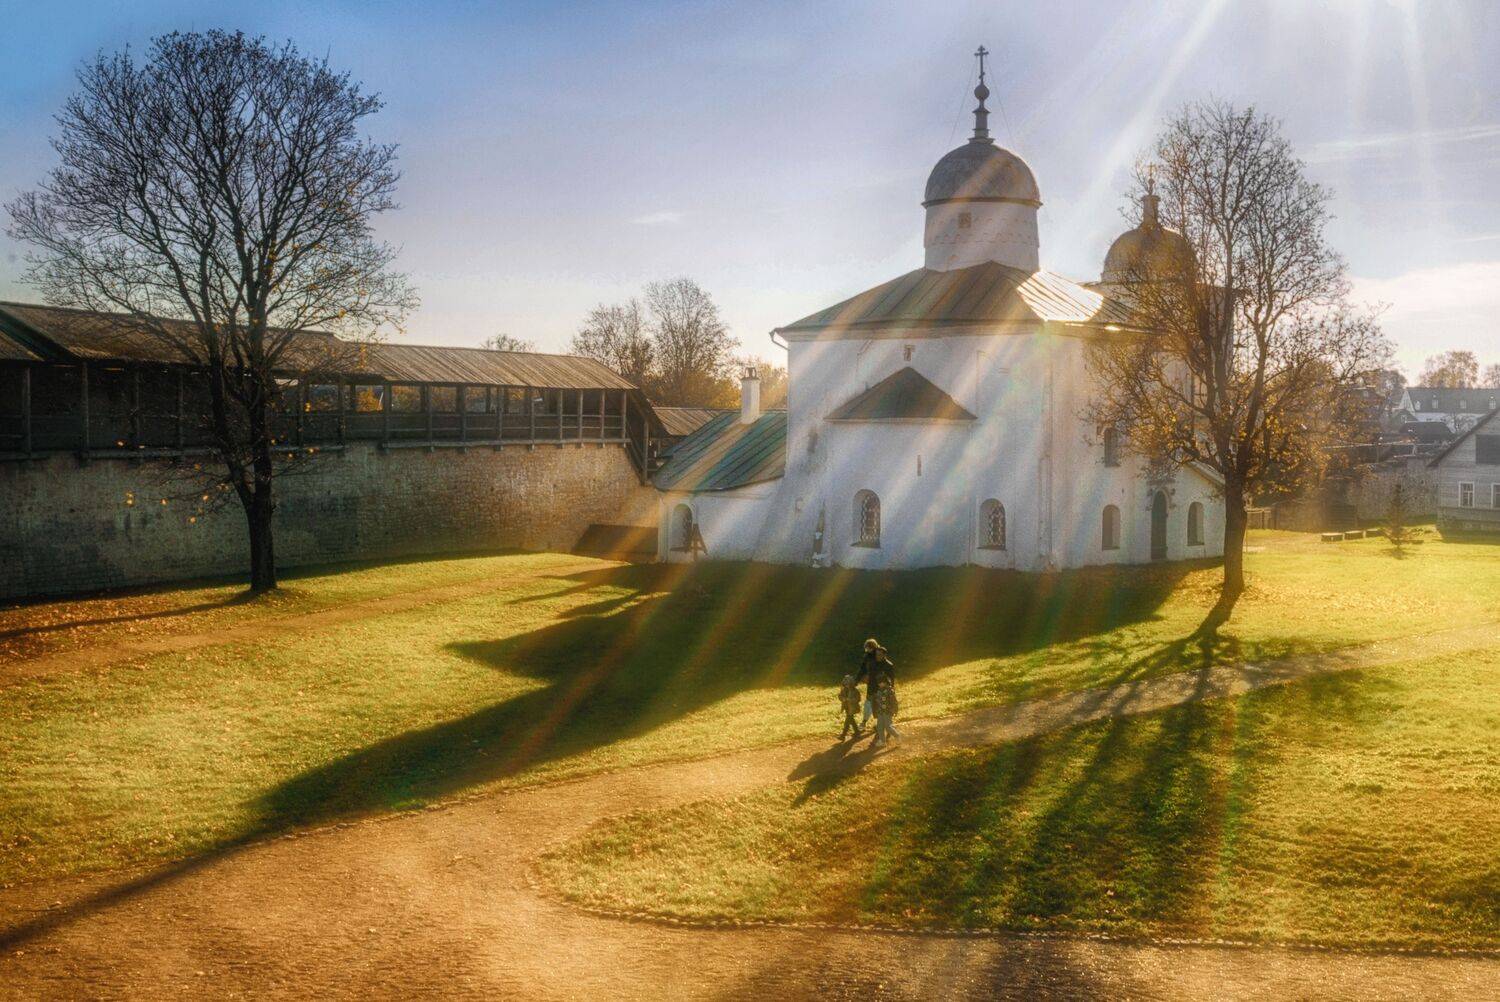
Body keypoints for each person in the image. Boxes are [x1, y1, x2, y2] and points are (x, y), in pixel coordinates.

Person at [855, 639, 895, 732]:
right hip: (872, 684)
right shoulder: (868, 658)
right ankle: (864, 722)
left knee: (881, 704)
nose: (867, 651)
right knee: (869, 703)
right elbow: (862, 669)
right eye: (866, 649)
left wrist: (891, 687)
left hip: (881, 685)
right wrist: (857, 680)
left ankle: (881, 724)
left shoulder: (881, 659)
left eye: (869, 649)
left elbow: (889, 675)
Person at [871, 677, 900, 747]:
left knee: (888, 727)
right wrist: (875, 711)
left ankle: (897, 736)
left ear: (886, 682)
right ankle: (882, 741)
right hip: (880, 712)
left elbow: (894, 701)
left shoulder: (890, 690)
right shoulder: (878, 691)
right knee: (879, 727)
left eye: (881, 682)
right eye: (879, 683)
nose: (880, 684)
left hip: (888, 712)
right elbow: (876, 702)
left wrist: (895, 710)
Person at [838, 674, 863, 740]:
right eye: (845, 684)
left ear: (851, 684)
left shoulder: (855, 691)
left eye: (848, 684)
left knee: (848, 720)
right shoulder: (844, 690)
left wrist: (850, 700)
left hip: (852, 708)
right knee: (851, 719)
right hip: (846, 707)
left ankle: (843, 735)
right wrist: (842, 698)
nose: (846, 686)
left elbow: (858, 699)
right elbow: (840, 696)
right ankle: (857, 732)